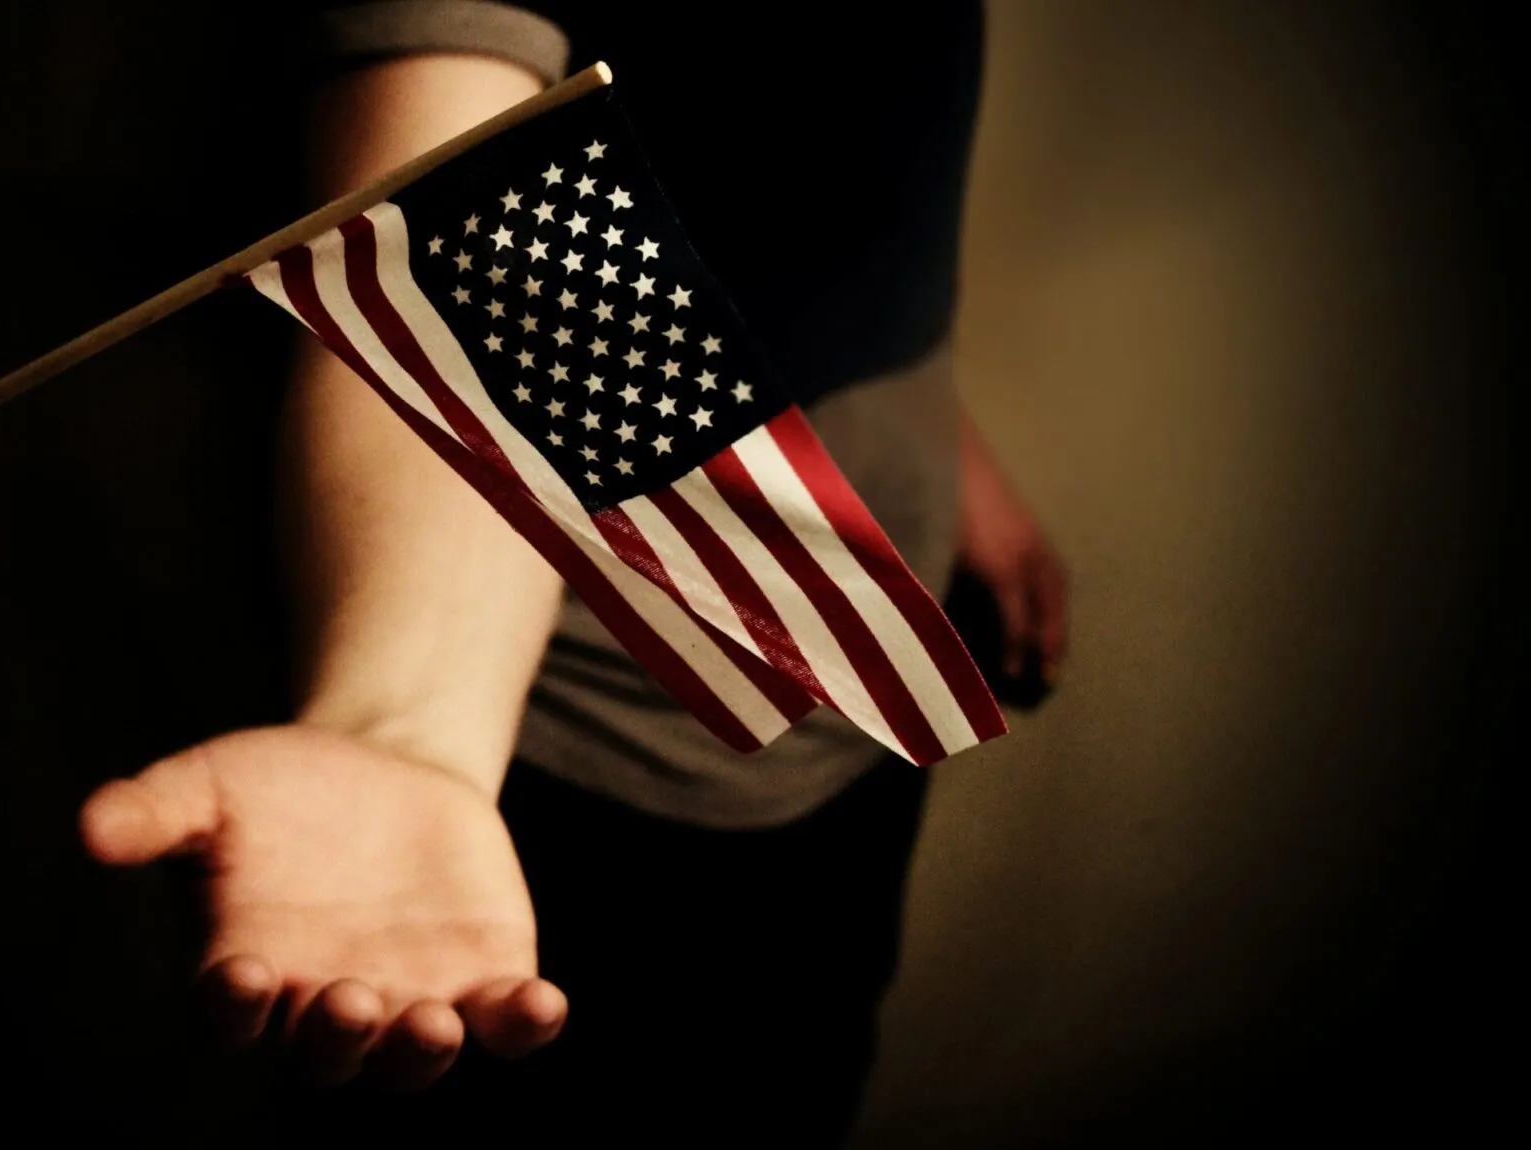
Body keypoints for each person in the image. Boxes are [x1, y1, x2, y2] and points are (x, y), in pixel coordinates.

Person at [79, 1, 1068, 1141]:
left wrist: (935, 428)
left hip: (862, 579)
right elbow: (460, 215)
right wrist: (413, 730)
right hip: (583, 744)